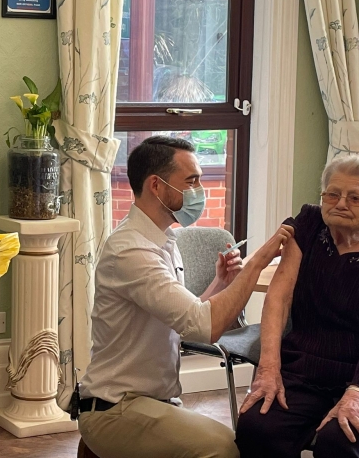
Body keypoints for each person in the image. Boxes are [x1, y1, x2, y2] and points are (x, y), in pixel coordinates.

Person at [77, 136, 293, 458]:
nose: (199, 191)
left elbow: (184, 319)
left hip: (150, 402)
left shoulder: (164, 239)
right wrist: (260, 259)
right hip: (117, 408)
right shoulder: (131, 250)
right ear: (156, 185)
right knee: (223, 449)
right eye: (191, 181)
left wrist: (221, 282)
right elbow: (204, 326)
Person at [236, 155, 359, 458]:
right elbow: (278, 297)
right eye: (333, 193)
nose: (340, 203)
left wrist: (355, 392)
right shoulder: (308, 223)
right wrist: (268, 368)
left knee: (341, 440)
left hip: (356, 375)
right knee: (257, 426)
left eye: (355, 197)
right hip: (303, 369)